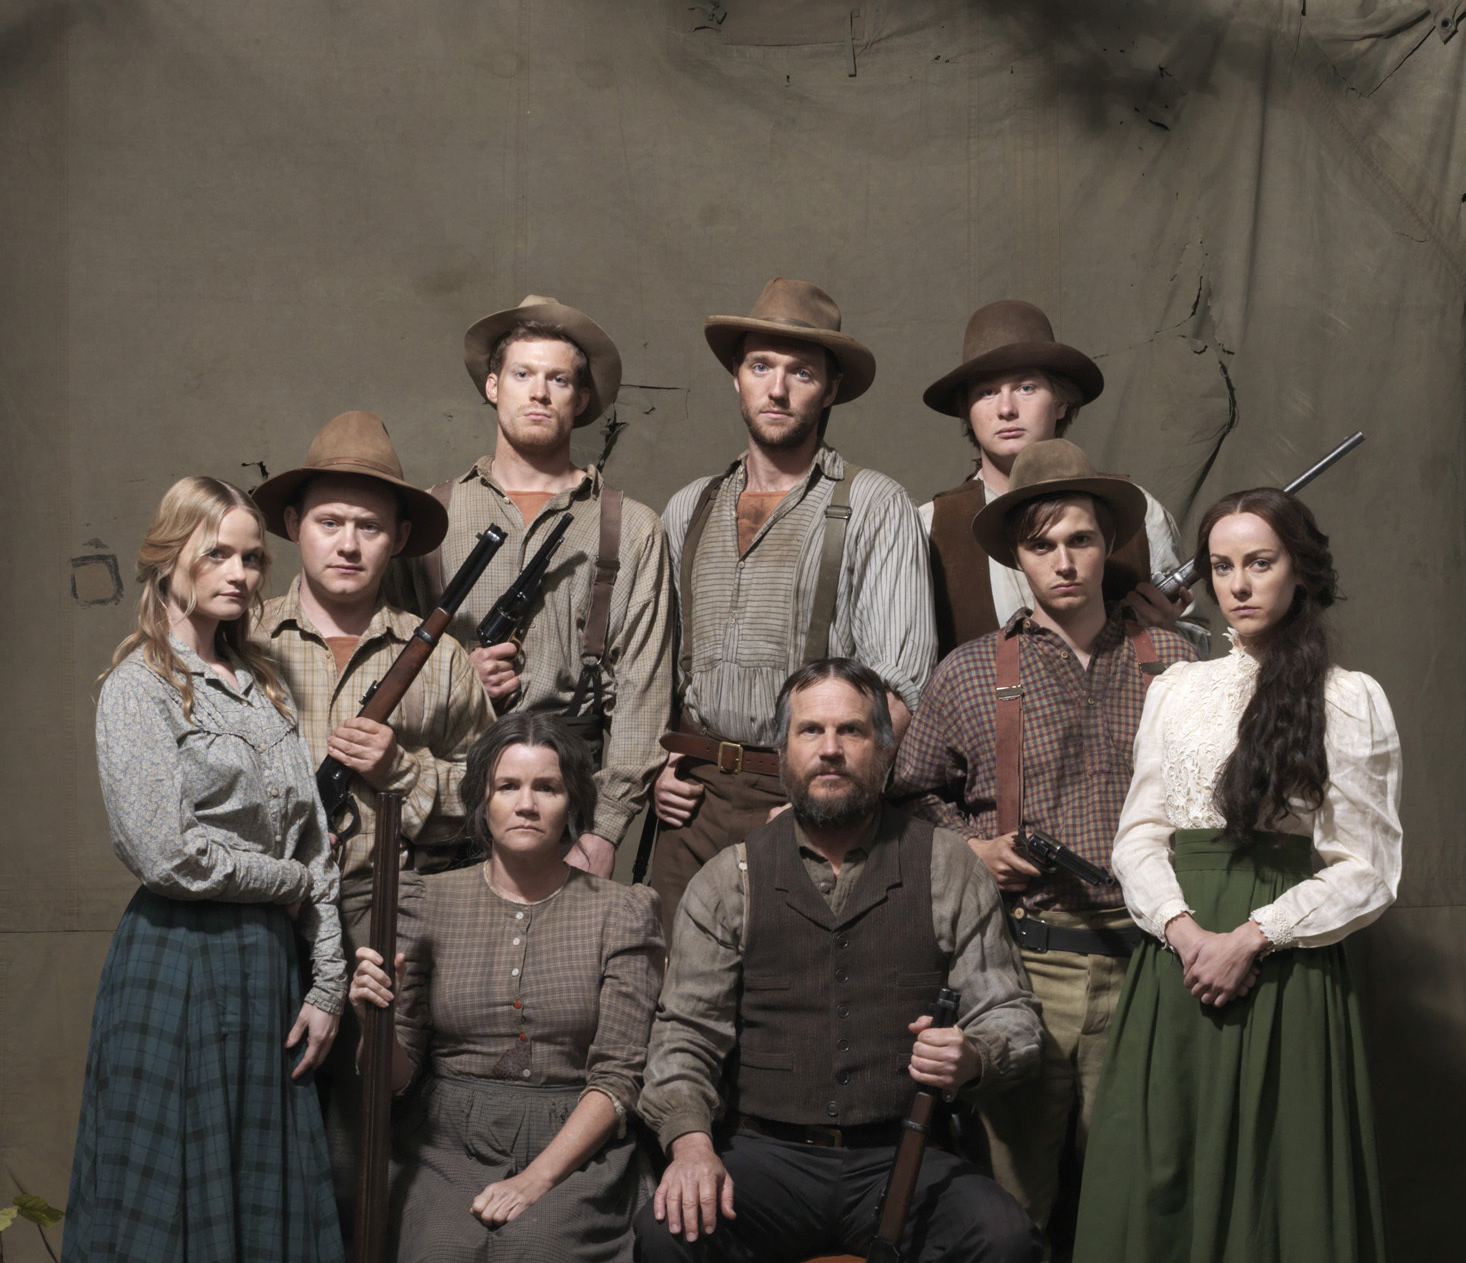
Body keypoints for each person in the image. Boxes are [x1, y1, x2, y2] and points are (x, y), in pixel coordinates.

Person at [636, 660, 1042, 1263]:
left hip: (900, 1158)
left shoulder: (944, 863)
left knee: (999, 1235)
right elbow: (684, 1036)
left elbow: (1014, 1020)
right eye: (812, 732)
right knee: (669, 1230)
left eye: (851, 731)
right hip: (769, 1157)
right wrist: (692, 1142)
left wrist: (971, 1057)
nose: (830, 749)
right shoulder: (727, 878)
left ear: (884, 750)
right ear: (782, 752)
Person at [1055, 488, 1405, 1263]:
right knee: (1155, 1201)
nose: (1238, 583)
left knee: (1271, 1215)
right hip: (1178, 963)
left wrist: (1249, 937)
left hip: (1283, 976)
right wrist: (1178, 929)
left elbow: (1371, 864)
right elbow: (1138, 832)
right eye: (1219, 566)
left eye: (1257, 562)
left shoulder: (1347, 699)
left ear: (1296, 569)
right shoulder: (1178, 689)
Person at [22, 479, 348, 1263]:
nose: (244, 576)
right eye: (222, 555)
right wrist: (293, 892)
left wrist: (328, 982)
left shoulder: (259, 682)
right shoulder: (137, 688)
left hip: (266, 975)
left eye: (255, 558)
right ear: (171, 558)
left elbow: (317, 853)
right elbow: (168, 854)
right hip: (174, 974)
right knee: (170, 1234)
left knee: (260, 1235)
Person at [348, 715, 681, 1263]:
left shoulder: (625, 909)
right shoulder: (424, 899)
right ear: (480, 800)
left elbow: (619, 1076)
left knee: (539, 1258)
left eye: (546, 785)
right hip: (449, 1131)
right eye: (507, 785)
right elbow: (395, 1078)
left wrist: (538, 1180)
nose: (526, 802)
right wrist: (373, 1016)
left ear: (575, 802)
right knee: (449, 1258)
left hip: (577, 1141)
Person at [892, 441, 1197, 1229]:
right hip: (1024, 970)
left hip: (1149, 969)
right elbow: (908, 796)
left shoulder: (1178, 664)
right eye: (1042, 545)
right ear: (1018, 561)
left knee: (1138, 1213)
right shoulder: (968, 672)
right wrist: (970, 847)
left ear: (1108, 547)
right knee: (1011, 1215)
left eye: (1081, 540)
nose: (1063, 562)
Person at [253, 411, 491, 1215]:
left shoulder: (445, 659)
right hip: (262, 918)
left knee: (369, 1158)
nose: (348, 544)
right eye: (329, 523)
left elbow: (497, 803)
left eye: (369, 527)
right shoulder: (242, 643)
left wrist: (403, 771)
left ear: (398, 540)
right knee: (262, 1142)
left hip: (389, 920)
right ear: (293, 527)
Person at [650, 278, 937, 929]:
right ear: (736, 377)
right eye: (761, 367)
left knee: (793, 1007)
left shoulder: (874, 504)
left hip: (809, 796)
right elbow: (654, 663)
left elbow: (898, 690)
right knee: (675, 1001)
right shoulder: (688, 507)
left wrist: (828, 801)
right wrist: (658, 760)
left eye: (800, 372)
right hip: (690, 805)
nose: (777, 389)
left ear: (830, 389)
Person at [395, 294, 674, 876]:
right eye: (522, 374)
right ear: (493, 386)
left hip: (569, 795)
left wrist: (605, 830)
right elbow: (380, 666)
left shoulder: (633, 527)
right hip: (444, 788)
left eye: (558, 379)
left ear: (583, 397)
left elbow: (643, 692)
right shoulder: (428, 516)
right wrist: (455, 681)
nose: (539, 392)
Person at [917, 300, 1196, 654]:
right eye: (987, 392)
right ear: (967, 412)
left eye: (1026, 388)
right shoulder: (930, 528)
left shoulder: (1138, 512)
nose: (1006, 409)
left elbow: (1199, 653)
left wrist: (1167, 633)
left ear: (1061, 402)